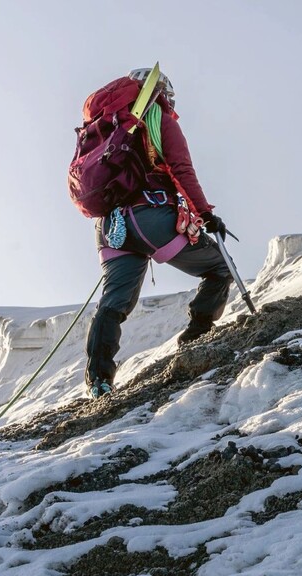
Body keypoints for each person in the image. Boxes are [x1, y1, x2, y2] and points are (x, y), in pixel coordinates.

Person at [79, 68, 233, 399]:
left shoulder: (105, 125)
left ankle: (99, 379)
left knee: (114, 302)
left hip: (110, 227)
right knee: (220, 267)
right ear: (162, 93)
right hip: (149, 215)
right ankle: (195, 338)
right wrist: (206, 214)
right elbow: (181, 169)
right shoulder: (158, 117)